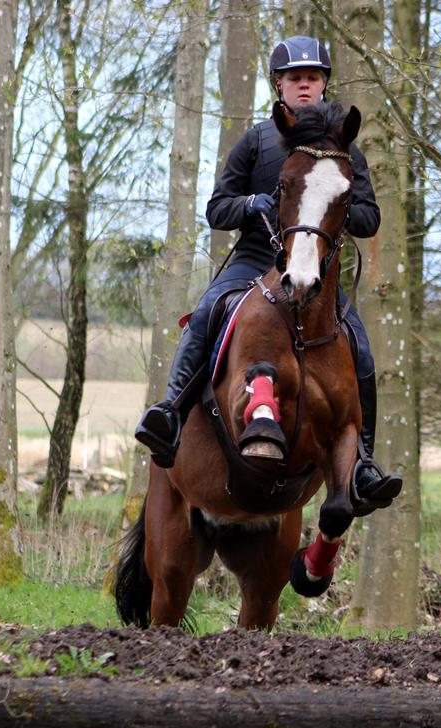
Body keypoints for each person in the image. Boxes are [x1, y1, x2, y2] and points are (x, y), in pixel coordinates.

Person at [135, 35, 402, 505]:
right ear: (279, 85)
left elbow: (370, 218)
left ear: (324, 84)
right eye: (295, 78)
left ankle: (362, 463)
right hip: (255, 259)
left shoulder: (346, 151)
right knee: (207, 312)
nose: (305, 85)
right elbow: (217, 209)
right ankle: (170, 413)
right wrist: (252, 203)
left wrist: (335, 211)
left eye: (313, 78)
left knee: (359, 347)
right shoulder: (258, 140)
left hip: (316, 270)